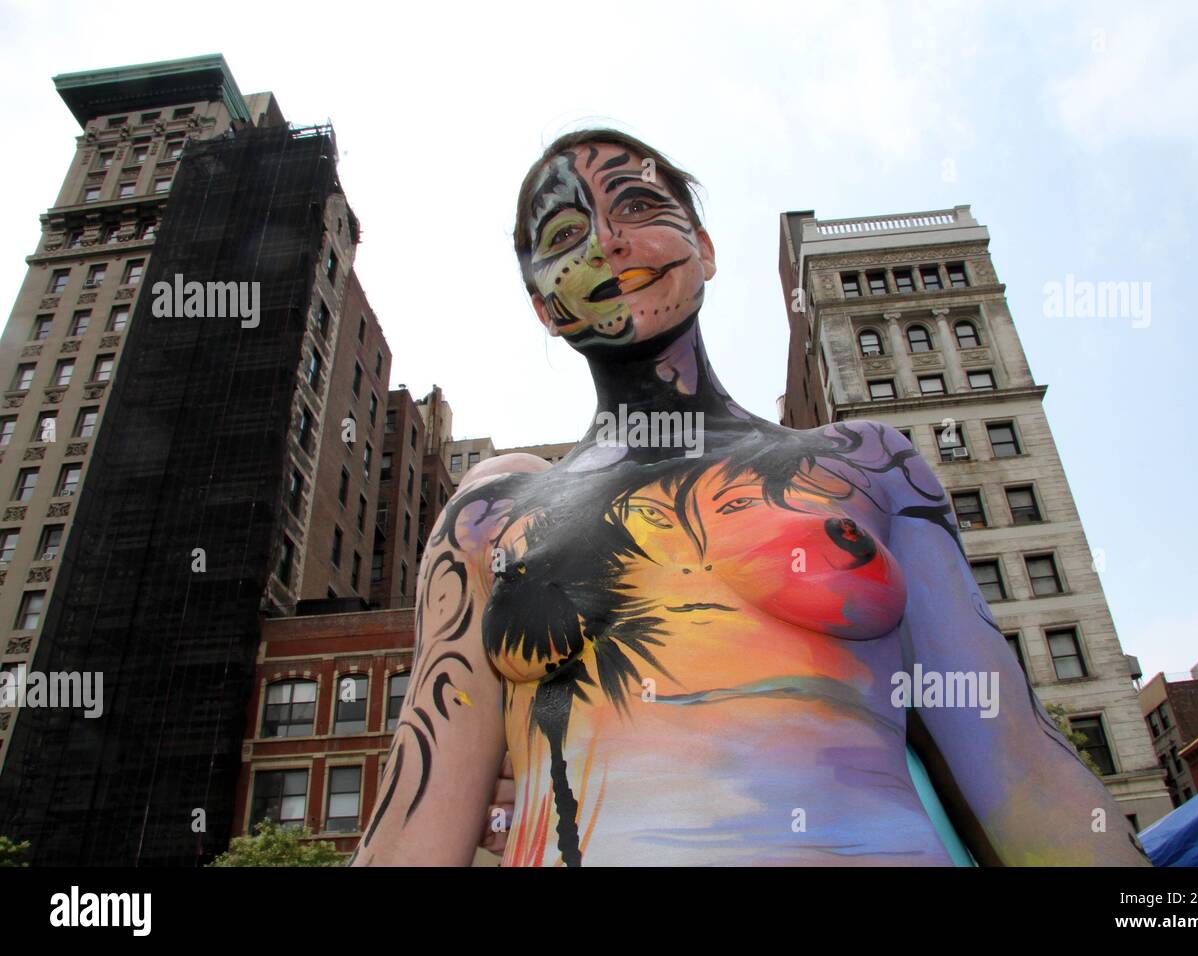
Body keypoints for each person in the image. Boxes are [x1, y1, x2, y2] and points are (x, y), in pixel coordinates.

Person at [352, 130, 1150, 866]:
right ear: (542, 306)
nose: (608, 240)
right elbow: (413, 827)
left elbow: (1016, 767)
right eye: (565, 237)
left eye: (637, 206)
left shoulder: (871, 464)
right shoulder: (491, 519)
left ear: (702, 247)